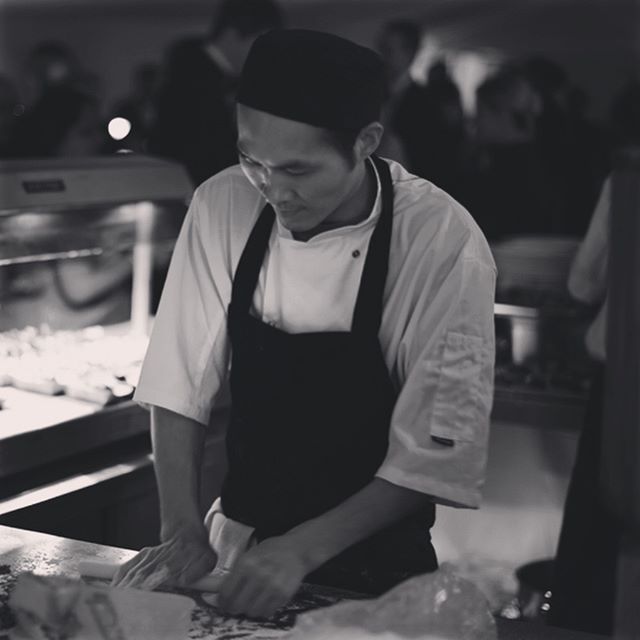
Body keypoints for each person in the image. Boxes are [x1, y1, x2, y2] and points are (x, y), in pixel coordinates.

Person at [113, 29, 496, 619]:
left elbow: (434, 455)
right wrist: (181, 528)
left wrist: (299, 551)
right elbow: (177, 382)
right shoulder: (223, 204)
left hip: (376, 577)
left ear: (365, 143)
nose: (271, 189)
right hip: (235, 556)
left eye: (297, 169)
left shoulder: (442, 241)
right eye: (251, 159)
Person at [148, 0, 283, 185]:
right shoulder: (189, 79)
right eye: (260, 42)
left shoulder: (211, 76)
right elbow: (194, 150)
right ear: (232, 34)